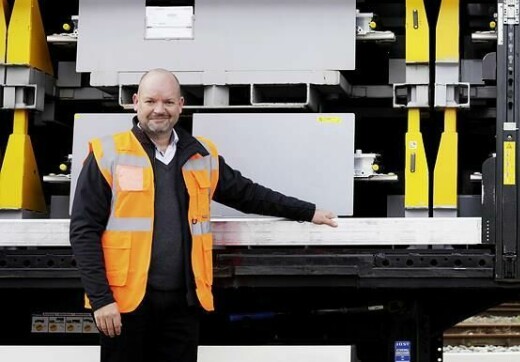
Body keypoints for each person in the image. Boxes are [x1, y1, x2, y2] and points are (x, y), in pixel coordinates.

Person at [70, 68, 339, 362]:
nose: (159, 110)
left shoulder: (200, 155)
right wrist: (101, 300)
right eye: (150, 101)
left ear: (181, 105)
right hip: (125, 305)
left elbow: (248, 194)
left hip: (182, 304)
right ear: (136, 102)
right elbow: (84, 231)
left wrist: (307, 211)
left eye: (168, 102)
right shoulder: (107, 153)